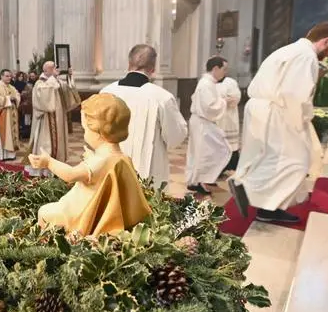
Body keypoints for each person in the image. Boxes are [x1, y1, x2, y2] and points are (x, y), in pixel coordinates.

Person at [229, 21, 328, 224]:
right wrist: (303, 120)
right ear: (326, 40)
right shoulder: (305, 56)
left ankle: (267, 206)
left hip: (262, 108)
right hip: (279, 111)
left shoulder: (289, 50)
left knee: (269, 157)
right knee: (296, 160)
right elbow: (294, 95)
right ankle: (249, 189)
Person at [28, 94, 151, 236]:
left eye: (85, 130)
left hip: (82, 211)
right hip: (103, 209)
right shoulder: (122, 157)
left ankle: (49, 242)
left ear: (99, 132)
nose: (85, 135)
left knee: (44, 212)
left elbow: (70, 175)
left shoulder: (100, 161)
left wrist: (48, 162)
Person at [101, 44, 187, 188]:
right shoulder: (162, 97)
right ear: (153, 69)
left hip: (110, 163)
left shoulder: (106, 91)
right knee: (147, 204)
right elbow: (176, 136)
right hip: (148, 169)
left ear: (129, 64)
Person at [185, 57, 234, 195]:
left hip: (201, 121)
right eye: (224, 69)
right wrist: (224, 101)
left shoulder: (207, 83)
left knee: (201, 152)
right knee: (211, 151)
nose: (225, 73)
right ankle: (200, 181)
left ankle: (196, 181)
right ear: (215, 69)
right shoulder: (206, 84)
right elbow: (209, 106)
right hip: (202, 122)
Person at [25, 61, 81, 177]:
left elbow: (67, 90)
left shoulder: (56, 81)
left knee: (58, 142)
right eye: (53, 68)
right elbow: (43, 101)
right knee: (46, 144)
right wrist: (53, 80)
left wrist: (69, 76)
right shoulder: (39, 83)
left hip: (59, 118)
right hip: (46, 121)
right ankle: (44, 169)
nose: (56, 69)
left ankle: (56, 166)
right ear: (46, 70)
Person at [0, 69, 20, 161]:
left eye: (10, 76)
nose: (9, 77)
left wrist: (15, 98)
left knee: (11, 135)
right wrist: (8, 98)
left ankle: (10, 155)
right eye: (7, 76)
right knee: (0, 135)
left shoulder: (11, 87)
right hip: (1, 115)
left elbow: (17, 95)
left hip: (11, 115)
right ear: (1, 76)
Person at [217, 73, 242, 172]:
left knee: (230, 145)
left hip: (229, 117)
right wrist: (223, 100)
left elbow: (236, 98)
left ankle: (230, 165)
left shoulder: (230, 82)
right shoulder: (207, 83)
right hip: (215, 118)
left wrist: (220, 101)